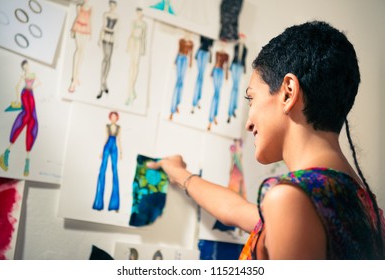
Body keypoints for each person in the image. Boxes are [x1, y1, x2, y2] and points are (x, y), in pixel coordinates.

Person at [147, 21, 385, 259]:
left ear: (288, 92)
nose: (248, 123)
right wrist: (179, 173)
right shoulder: (362, 208)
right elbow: (234, 210)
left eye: (251, 99)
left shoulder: (292, 200)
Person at [0, 60, 40, 177]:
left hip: (31, 95)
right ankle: (6, 154)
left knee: (32, 121)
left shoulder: (33, 74)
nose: (26, 67)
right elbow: (17, 86)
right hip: (25, 94)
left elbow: (39, 83)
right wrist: (17, 99)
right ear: (23, 68)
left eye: (27, 65)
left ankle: (26, 160)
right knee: (27, 116)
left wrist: (32, 87)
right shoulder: (23, 75)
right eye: (24, 66)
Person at [92, 111, 122, 211]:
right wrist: (101, 151)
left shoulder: (119, 127)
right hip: (107, 145)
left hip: (114, 147)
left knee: (115, 171)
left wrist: (121, 152)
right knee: (102, 170)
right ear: (110, 118)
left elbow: (119, 140)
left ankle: (114, 205)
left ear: (117, 118)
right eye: (112, 117)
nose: (113, 118)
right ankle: (98, 203)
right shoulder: (107, 126)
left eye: (115, 117)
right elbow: (105, 138)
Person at [68, 0, 92, 93]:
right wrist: (72, 30)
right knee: (78, 49)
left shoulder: (90, 9)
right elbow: (77, 17)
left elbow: (90, 20)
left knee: (82, 50)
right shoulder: (79, 6)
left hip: (86, 28)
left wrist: (90, 32)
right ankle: (74, 77)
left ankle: (76, 76)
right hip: (78, 26)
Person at [97, 0, 118, 99]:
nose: (112, 7)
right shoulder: (106, 14)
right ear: (109, 5)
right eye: (111, 5)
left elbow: (117, 29)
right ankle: (102, 82)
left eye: (114, 5)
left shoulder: (117, 16)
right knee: (105, 57)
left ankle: (104, 80)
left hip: (112, 38)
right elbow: (104, 26)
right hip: (106, 36)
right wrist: (100, 38)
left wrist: (116, 40)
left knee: (109, 58)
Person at [125, 8, 147, 105]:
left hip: (138, 42)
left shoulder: (144, 24)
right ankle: (130, 88)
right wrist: (128, 45)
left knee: (136, 64)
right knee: (132, 63)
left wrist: (143, 48)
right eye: (138, 12)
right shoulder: (133, 22)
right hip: (133, 41)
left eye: (140, 12)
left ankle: (132, 87)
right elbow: (130, 33)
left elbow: (144, 36)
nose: (139, 14)